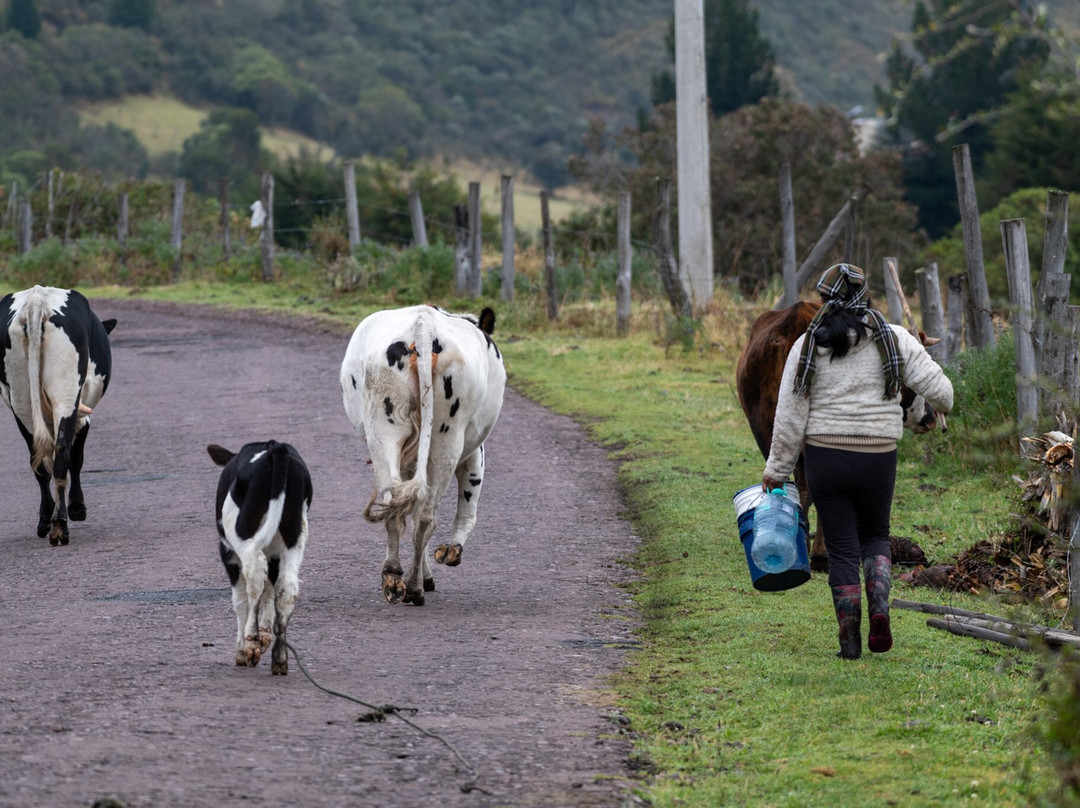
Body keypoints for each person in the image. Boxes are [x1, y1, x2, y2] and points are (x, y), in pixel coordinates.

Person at [762, 263, 953, 659]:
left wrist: (777, 472)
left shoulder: (809, 344)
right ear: (865, 297)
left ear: (824, 299)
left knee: (844, 551)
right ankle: (880, 610)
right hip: (878, 459)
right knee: (875, 538)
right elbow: (945, 395)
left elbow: (790, 414)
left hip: (825, 462)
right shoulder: (894, 338)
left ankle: (849, 640)